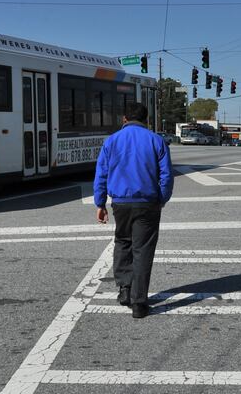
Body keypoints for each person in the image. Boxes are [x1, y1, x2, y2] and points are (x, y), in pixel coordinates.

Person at [93, 103, 173, 319]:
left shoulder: (112, 140)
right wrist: (162, 198)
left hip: (120, 202)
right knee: (143, 249)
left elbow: (101, 173)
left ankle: (124, 289)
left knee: (123, 242)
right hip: (148, 203)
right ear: (146, 120)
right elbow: (166, 175)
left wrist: (100, 203)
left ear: (124, 119)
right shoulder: (156, 140)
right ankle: (139, 303)